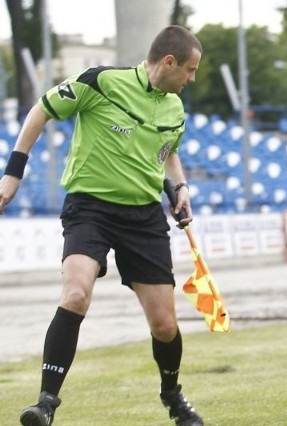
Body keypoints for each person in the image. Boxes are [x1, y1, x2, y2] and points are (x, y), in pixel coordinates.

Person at [0, 26, 204, 426]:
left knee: (164, 325)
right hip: (89, 209)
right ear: (168, 62)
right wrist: (13, 174)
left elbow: (167, 154)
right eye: (190, 70)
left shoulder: (175, 108)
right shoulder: (100, 82)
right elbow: (39, 110)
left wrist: (179, 188)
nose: (192, 79)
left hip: (144, 218)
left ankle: (173, 396)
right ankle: (45, 403)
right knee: (75, 295)